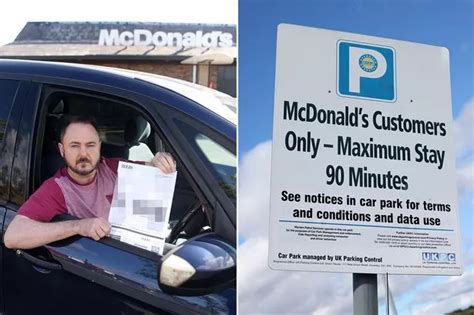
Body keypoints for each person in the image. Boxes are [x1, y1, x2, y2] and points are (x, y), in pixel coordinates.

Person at [4, 115, 176, 249]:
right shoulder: (58, 188)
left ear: (99, 146)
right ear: (62, 150)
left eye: (90, 145)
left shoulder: (114, 168)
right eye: (74, 145)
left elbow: (155, 169)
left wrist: (161, 161)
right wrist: (79, 226)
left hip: (133, 256)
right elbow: (13, 236)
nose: (84, 153)